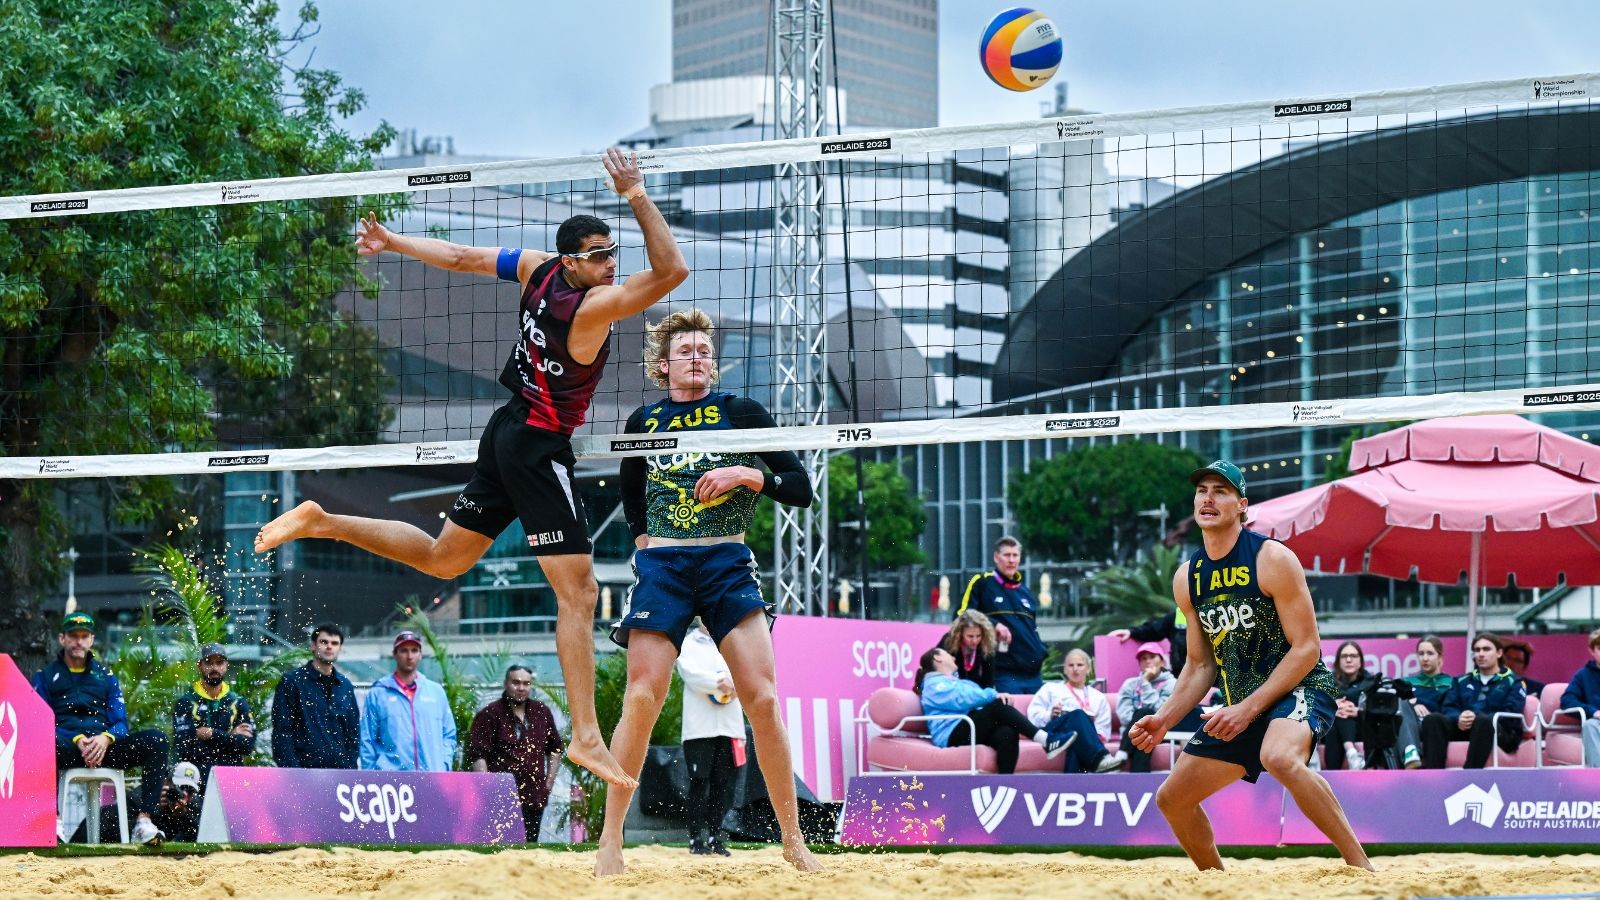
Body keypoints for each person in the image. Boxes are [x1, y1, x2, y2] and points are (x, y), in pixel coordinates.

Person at [255, 148, 688, 789]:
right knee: (580, 593)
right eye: (600, 255)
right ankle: (587, 737)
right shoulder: (592, 306)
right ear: (572, 262)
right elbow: (673, 270)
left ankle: (323, 519)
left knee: (443, 559)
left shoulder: (537, 268)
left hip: (507, 429)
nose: (610, 263)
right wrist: (636, 193)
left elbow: (461, 257)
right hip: (538, 447)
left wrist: (392, 241)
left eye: (611, 252)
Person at [594, 309, 821, 876]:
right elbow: (631, 493)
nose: (697, 357)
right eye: (686, 351)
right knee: (641, 697)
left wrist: (746, 476)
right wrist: (645, 544)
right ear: (663, 364)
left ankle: (793, 840)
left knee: (762, 699)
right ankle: (610, 841)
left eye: (704, 350)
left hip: (725, 562)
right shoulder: (644, 420)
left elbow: (800, 487)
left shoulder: (740, 412)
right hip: (665, 567)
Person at [1129, 460, 1371, 872]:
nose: (1208, 498)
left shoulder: (1272, 558)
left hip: (1300, 688)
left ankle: (1360, 867)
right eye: (1202, 490)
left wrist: (1248, 708)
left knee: (1280, 757)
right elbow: (1200, 665)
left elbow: (1307, 648)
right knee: (1172, 799)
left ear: (1242, 505)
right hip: (1241, 704)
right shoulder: (1187, 577)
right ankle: (1217, 883)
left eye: (1220, 491)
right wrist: (1164, 719)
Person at [32, 612, 171, 845]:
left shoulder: (106, 676)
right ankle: (53, 822)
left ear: (92, 639)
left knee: (157, 740)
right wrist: (75, 738)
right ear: (62, 639)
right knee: (44, 742)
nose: (79, 641)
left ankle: (144, 821)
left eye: (84, 636)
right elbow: (39, 723)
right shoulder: (45, 677)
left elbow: (121, 723)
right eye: (73, 636)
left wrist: (106, 738)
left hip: (104, 749)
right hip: (66, 749)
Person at [914, 647, 1068, 774]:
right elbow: (963, 698)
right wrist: (993, 696)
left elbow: (974, 697)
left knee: (1007, 732)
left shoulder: (954, 681)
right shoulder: (933, 684)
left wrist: (993, 703)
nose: (953, 657)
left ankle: (1005, 784)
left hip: (966, 728)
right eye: (947, 653)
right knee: (998, 705)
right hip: (952, 735)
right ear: (938, 658)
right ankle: (1046, 740)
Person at [468, 665, 564, 841]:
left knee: (529, 847)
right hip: (500, 797)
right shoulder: (490, 714)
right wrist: (487, 789)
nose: (521, 688)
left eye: (526, 683)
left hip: (534, 796)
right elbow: (477, 754)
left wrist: (548, 784)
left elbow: (555, 749)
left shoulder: (541, 712)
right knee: (499, 848)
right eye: (516, 683)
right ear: (506, 684)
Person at [675, 620, 746, 857]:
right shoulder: (688, 643)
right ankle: (695, 838)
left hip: (729, 726)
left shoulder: (732, 641)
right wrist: (719, 682)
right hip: (699, 727)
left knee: (722, 785)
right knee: (699, 783)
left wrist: (735, 685)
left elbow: (745, 671)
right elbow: (689, 673)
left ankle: (716, 836)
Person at [1419, 632, 1527, 769]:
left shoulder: (1514, 682)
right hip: (1465, 728)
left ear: (1499, 653)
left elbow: (1511, 712)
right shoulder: (1461, 681)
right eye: (1477, 650)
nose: (1481, 654)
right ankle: (1433, 775)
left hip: (1500, 732)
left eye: (1486, 649)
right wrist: (1459, 718)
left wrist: (1476, 717)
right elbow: (1448, 707)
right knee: (1433, 719)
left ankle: (1469, 775)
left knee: (1483, 721)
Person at [956, 536, 1047, 694]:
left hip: (1034, 674)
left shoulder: (1025, 592)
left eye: (1015, 555)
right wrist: (994, 624)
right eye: (1007, 555)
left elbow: (1032, 629)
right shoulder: (982, 583)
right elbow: (962, 614)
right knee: (1011, 711)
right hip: (1004, 673)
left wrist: (1041, 650)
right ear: (996, 557)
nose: (1011, 560)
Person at [360, 630, 457, 771]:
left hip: (432, 776)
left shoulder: (436, 692)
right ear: (394, 654)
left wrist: (444, 764)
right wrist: (372, 775)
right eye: (404, 650)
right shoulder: (378, 693)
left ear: (420, 655)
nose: (409, 656)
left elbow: (449, 734)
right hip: (391, 779)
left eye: (414, 650)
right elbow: (367, 739)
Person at [272, 622, 361, 769]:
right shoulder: (292, 682)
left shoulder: (345, 686)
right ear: (313, 645)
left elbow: (353, 732)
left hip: (340, 773)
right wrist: (293, 771)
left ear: (340, 649)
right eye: (324, 642)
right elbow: (282, 732)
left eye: (334, 643)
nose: (329, 646)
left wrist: (349, 767)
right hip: (304, 771)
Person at [1322, 640, 1421, 771]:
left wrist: (1358, 711)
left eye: (1353, 656)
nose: (1349, 660)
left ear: (1361, 661)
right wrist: (1333, 708)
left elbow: (1381, 709)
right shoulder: (1327, 684)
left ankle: (1351, 756)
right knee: (1337, 719)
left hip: (1365, 727)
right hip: (1335, 728)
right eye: (1344, 656)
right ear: (1338, 661)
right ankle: (1349, 757)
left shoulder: (1371, 682)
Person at [1027, 648, 1128, 773]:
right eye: (1071, 665)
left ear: (1088, 669)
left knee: (1075, 739)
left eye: (1080, 665)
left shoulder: (1098, 697)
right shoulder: (1050, 689)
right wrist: (1050, 714)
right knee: (1078, 714)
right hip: (1055, 733)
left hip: (1074, 738)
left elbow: (1103, 729)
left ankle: (1071, 783)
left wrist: (1085, 734)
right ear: (1065, 669)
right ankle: (1101, 759)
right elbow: (1032, 715)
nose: (1075, 669)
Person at [171, 642, 256, 786]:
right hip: (195, 780)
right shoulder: (186, 702)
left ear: (226, 665)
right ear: (200, 665)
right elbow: (185, 747)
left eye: (219, 662)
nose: (214, 668)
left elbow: (247, 746)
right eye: (209, 663)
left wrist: (212, 734)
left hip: (232, 779)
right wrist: (231, 737)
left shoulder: (238, 702)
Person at [1116, 642, 1177, 772]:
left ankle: (1122, 754)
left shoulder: (1172, 684)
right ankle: (1139, 782)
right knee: (1144, 730)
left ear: (1162, 662)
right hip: (1133, 733)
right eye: (1143, 658)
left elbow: (1162, 712)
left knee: (1146, 715)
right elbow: (1124, 715)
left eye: (1152, 657)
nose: (1148, 661)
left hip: (1160, 731)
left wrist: (1145, 682)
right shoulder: (1130, 684)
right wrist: (1140, 726)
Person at [1558, 627, 1600, 766]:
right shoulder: (1583, 675)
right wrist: (1593, 712)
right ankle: (1597, 775)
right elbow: (1567, 701)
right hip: (1597, 722)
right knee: (1590, 725)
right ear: (1592, 651)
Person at [1108, 609, 1190, 678]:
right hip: (1181, 676)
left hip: (1197, 676)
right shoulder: (1179, 614)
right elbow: (1153, 630)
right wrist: (1131, 632)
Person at [940, 609, 997, 688]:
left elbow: (989, 681)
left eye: (978, 636)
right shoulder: (949, 641)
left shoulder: (987, 644)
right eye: (970, 636)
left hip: (976, 690)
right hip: (952, 688)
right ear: (960, 633)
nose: (975, 641)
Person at [150, 762, 203, 843]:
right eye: (180, 787)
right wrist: (158, 809)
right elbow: (142, 836)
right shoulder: (145, 798)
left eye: (190, 790)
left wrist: (184, 815)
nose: (184, 794)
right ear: (166, 781)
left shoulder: (196, 805)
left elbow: (202, 836)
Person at [1404, 635, 1452, 718]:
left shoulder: (1451, 684)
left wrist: (1415, 701)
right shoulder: (1405, 683)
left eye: (1430, 653)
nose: (1425, 658)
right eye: (1421, 654)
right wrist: (1411, 706)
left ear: (1440, 657)